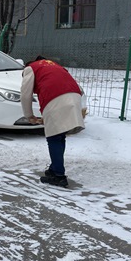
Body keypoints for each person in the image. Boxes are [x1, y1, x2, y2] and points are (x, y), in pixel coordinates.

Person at [21, 56, 86, 188]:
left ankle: (58, 175)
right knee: (60, 135)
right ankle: (54, 167)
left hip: (55, 98)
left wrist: (29, 116)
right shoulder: (54, 66)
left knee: (53, 137)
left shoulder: (30, 68)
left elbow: (25, 94)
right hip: (74, 95)